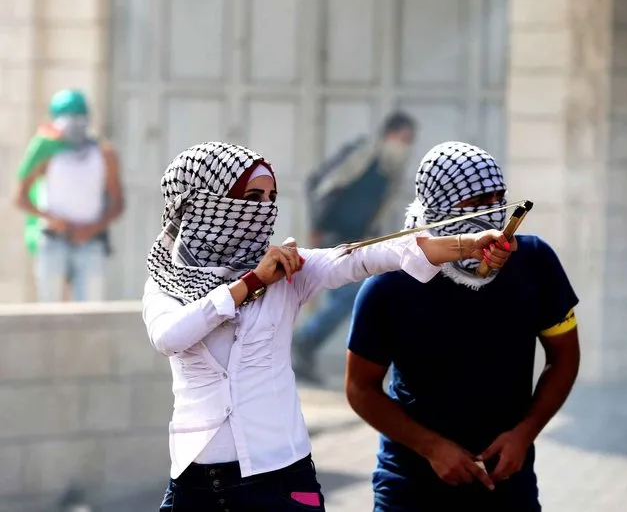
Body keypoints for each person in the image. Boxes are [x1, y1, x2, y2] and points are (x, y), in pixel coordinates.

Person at [141, 141, 514, 512]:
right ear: (205, 202)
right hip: (197, 482)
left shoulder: (290, 267)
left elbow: (370, 256)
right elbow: (169, 337)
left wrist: (466, 244)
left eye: (270, 197)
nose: (262, 209)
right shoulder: (166, 282)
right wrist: (250, 283)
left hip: (281, 477)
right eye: (251, 196)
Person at [345, 141, 581, 512]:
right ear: (438, 211)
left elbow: (564, 357)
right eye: (474, 206)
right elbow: (360, 388)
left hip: (508, 486)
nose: (491, 216)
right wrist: (432, 447)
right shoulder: (390, 282)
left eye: (498, 200)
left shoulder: (534, 261)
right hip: (411, 488)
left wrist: (525, 433)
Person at [293, 111, 416, 383]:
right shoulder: (363, 155)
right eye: (402, 138)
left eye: (410, 140)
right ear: (388, 135)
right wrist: (317, 225)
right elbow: (321, 184)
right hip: (333, 234)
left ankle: (306, 346)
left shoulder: (391, 171)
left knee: (356, 296)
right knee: (350, 295)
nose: (405, 145)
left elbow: (378, 211)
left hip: (357, 241)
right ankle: (304, 342)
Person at [14, 89, 124, 302]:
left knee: (89, 312)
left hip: (91, 242)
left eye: (79, 116)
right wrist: (51, 219)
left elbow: (118, 203)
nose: (74, 123)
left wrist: (93, 227)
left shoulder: (103, 154)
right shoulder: (45, 152)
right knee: (50, 311)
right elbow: (21, 197)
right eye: (68, 117)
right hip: (53, 240)